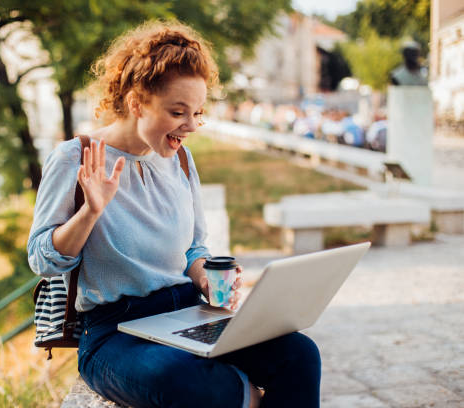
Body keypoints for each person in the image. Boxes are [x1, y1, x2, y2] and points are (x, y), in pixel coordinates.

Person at [27, 21, 321, 408]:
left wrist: (207, 278)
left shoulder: (180, 158)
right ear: (137, 102)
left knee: (299, 354)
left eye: (198, 112)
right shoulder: (75, 158)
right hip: (113, 332)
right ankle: (243, 396)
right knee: (184, 379)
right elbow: (41, 259)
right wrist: (90, 213)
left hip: (187, 313)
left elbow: (195, 246)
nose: (192, 125)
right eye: (178, 111)